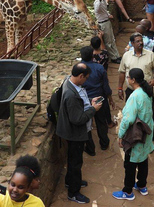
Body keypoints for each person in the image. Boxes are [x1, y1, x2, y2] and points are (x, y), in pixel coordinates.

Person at [56, 63, 103, 204]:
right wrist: (93, 109)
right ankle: (73, 192)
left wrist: (89, 103)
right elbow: (77, 119)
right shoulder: (71, 95)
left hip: (71, 131)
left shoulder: (69, 82)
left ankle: (71, 181)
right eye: (86, 78)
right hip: (74, 134)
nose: (86, 81)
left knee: (73, 159)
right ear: (80, 76)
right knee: (76, 162)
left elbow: (79, 106)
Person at [112, 68, 154, 201]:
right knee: (143, 160)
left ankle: (128, 191)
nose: (127, 79)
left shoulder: (135, 96)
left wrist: (120, 134)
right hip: (146, 131)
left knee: (130, 163)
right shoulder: (146, 92)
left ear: (133, 80)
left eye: (128, 77)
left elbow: (128, 119)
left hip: (135, 134)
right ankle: (142, 186)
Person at [80, 46, 112, 154]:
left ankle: (90, 148)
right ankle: (104, 143)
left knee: (86, 125)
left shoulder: (78, 68)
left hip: (84, 99)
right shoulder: (99, 68)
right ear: (92, 55)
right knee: (101, 121)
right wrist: (109, 97)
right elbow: (105, 85)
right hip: (98, 98)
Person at [118, 33, 154, 101]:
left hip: (146, 90)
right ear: (132, 43)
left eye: (141, 40)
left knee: (147, 111)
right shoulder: (126, 55)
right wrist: (120, 88)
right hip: (131, 90)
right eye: (138, 41)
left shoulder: (151, 55)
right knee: (131, 110)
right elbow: (122, 72)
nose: (140, 43)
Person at [93, 0, 121, 64]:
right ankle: (113, 57)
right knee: (108, 42)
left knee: (112, 39)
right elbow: (97, 11)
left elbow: (104, 10)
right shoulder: (97, 2)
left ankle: (117, 55)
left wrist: (108, 14)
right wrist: (99, 0)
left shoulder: (103, 0)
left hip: (107, 21)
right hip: (103, 23)